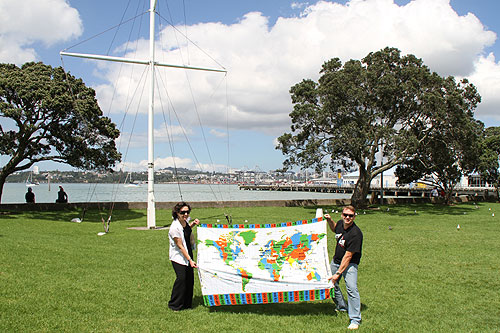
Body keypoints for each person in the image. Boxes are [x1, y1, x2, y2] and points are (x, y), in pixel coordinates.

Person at [325, 205, 363, 330]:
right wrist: (330, 220)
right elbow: (335, 229)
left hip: (350, 264)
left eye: (350, 216)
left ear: (354, 217)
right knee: (330, 284)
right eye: (345, 215)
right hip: (336, 260)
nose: (347, 217)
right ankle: (341, 306)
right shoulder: (341, 224)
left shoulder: (356, 234)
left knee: (351, 289)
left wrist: (338, 273)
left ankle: (355, 319)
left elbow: (348, 256)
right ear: (342, 215)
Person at [168, 202, 200, 311]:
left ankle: (187, 304)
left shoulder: (185, 222)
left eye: (187, 212)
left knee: (189, 280)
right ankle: (174, 304)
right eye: (183, 212)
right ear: (177, 213)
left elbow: (186, 230)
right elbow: (180, 246)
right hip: (178, 256)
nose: (185, 214)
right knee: (181, 279)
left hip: (188, 253)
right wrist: (190, 260)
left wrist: (193, 224)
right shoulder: (174, 228)